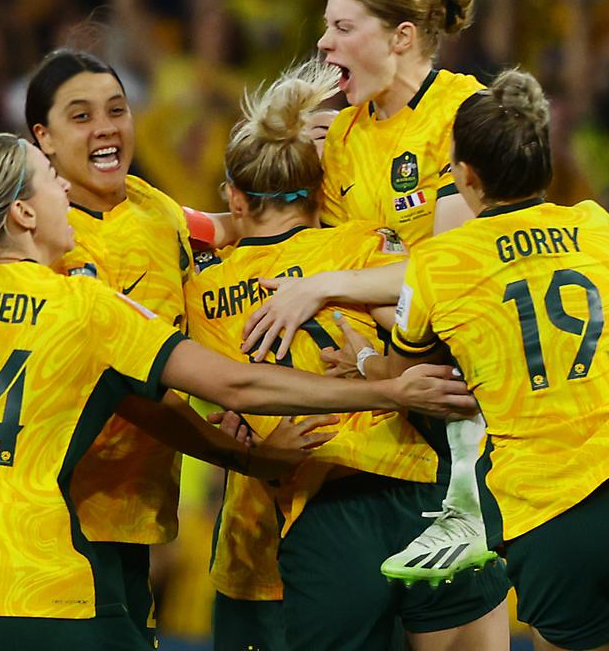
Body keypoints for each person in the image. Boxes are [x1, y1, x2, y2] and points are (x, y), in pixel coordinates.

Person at [0, 133, 478, 650]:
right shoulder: (84, 307)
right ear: (21, 212)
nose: (65, 193)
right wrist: (392, 391)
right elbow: (238, 385)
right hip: (45, 589)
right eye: (51, 181)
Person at [334, 70, 609, 650]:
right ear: (543, 166)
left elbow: (413, 379)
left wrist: (363, 357)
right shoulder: (597, 227)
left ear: (464, 176)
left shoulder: (436, 267)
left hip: (544, 519)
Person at [186, 59, 508, 651]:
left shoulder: (201, 291)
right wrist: (374, 365)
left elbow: (217, 399)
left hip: (306, 510)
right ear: (318, 189)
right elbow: (434, 327)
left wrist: (246, 445)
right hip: (415, 481)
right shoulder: (364, 245)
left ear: (234, 195)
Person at [236, 0, 505, 610]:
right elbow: (319, 249)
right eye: (326, 27)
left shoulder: (465, 115)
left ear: (402, 37)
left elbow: (444, 281)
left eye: (342, 28)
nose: (323, 45)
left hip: (471, 405)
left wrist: (325, 289)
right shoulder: (346, 139)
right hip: (390, 412)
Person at [23, 49, 195, 643]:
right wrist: (237, 446)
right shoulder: (35, 240)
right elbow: (117, 390)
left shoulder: (155, 207)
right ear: (42, 138)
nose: (106, 128)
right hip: (60, 517)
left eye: (117, 110)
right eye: (81, 115)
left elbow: (226, 230)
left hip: (135, 510)